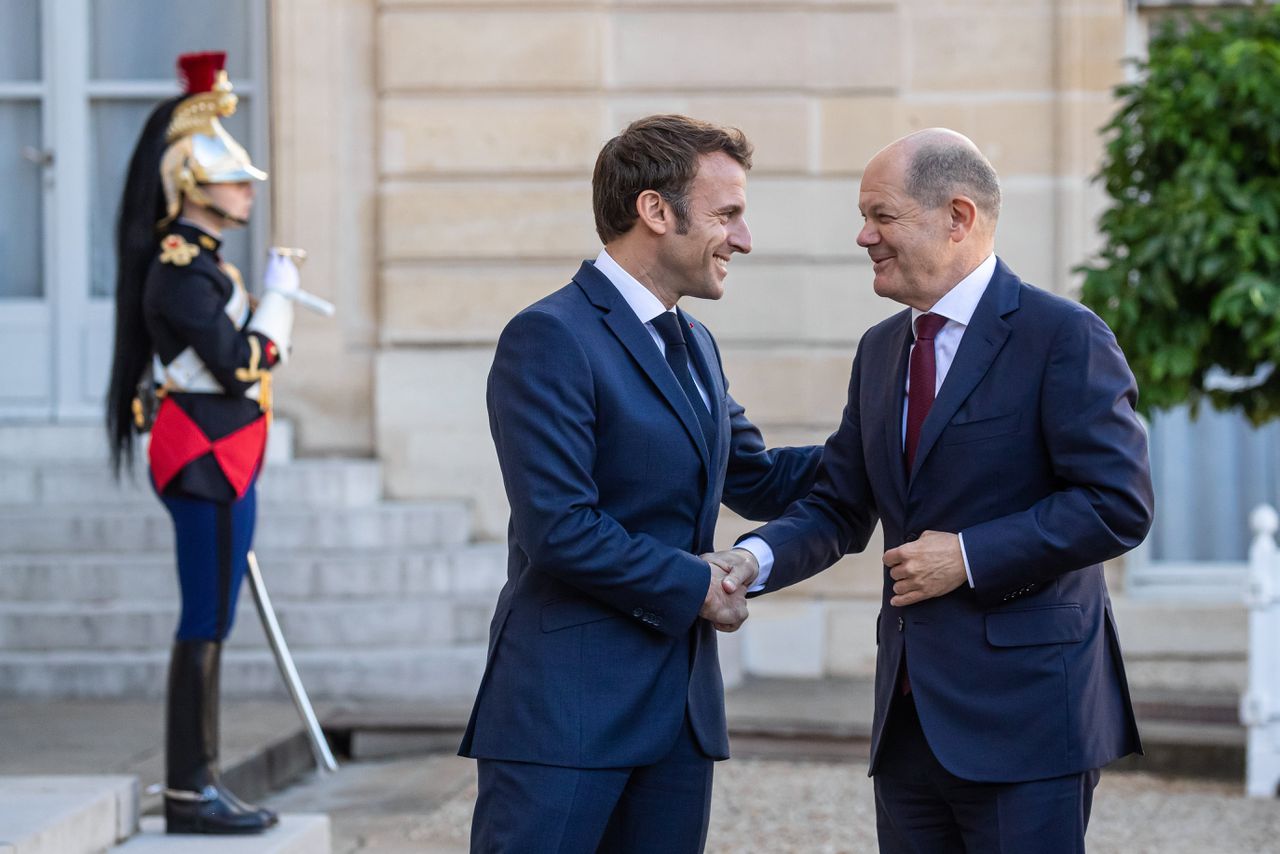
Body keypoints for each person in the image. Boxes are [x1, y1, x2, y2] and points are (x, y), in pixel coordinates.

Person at [707, 128, 1155, 853]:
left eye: (881, 216)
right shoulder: (881, 350)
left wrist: (969, 555)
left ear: (958, 216)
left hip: (1030, 719)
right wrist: (748, 564)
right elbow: (839, 503)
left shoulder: (1063, 337)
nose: (863, 236)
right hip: (909, 722)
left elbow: (1118, 504)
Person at [460, 114, 823, 853]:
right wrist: (700, 586)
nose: (744, 239)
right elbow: (560, 528)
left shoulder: (695, 343)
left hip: (678, 718)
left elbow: (755, 477)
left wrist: (894, 440)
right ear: (655, 211)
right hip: (565, 713)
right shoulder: (549, 337)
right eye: (728, 215)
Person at [105, 51, 300, 835]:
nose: (248, 190)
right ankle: (190, 789)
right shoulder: (182, 269)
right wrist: (279, 308)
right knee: (204, 621)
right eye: (235, 180)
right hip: (205, 458)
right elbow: (238, 362)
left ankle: (199, 784)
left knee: (212, 617)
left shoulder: (203, 265)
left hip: (221, 455)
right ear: (194, 185)